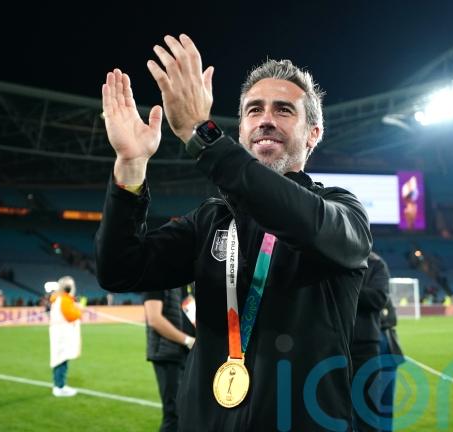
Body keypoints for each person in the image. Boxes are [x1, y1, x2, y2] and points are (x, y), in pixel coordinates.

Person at [95, 34, 372, 430]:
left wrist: (201, 134)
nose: (265, 119)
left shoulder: (341, 211)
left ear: (313, 132)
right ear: (241, 130)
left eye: (283, 110)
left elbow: (302, 220)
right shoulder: (211, 220)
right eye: (254, 110)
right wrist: (130, 165)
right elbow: (119, 269)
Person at [351, 252, 404, 432]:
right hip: (366, 343)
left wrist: (347, 290)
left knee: (378, 405)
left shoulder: (376, 264)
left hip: (378, 344)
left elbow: (385, 309)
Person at [144, 285, 196, 432]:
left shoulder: (186, 283)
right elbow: (154, 319)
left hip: (188, 354)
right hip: (168, 354)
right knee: (174, 414)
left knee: (187, 413)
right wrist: (187, 340)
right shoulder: (156, 280)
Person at [49, 276, 82, 397]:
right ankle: (60, 387)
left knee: (60, 359)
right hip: (62, 335)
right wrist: (79, 311)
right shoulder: (64, 300)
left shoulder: (59, 299)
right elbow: (71, 316)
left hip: (59, 333)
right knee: (61, 360)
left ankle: (59, 385)